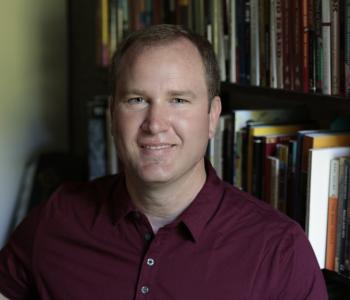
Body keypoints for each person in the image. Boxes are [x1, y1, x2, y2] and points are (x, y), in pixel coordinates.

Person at [0, 24, 327, 299]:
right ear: (113, 114)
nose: (155, 123)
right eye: (137, 99)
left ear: (212, 116)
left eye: (179, 100)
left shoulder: (279, 250)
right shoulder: (58, 217)